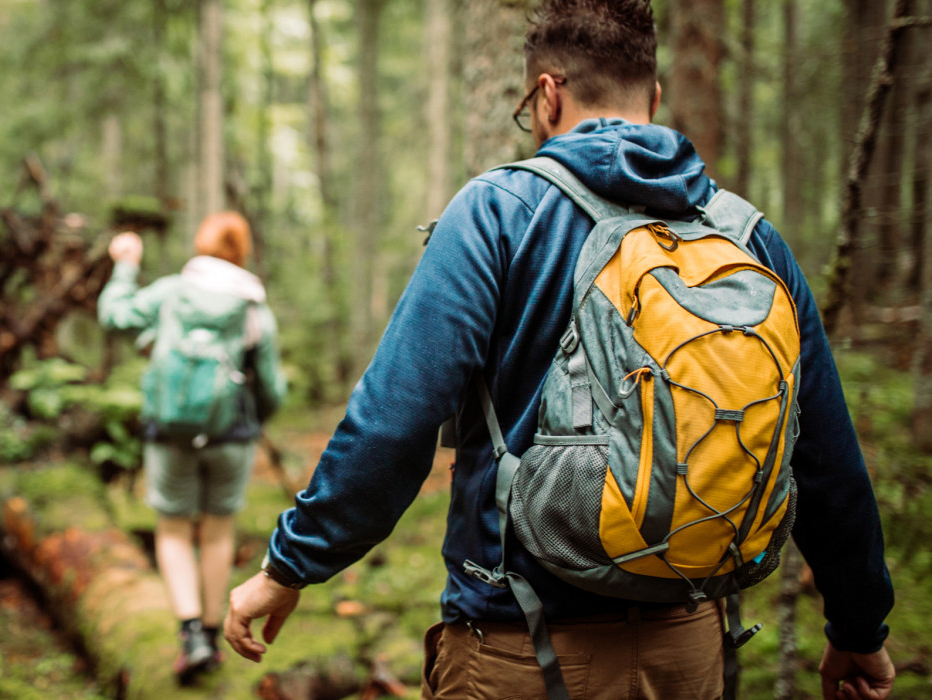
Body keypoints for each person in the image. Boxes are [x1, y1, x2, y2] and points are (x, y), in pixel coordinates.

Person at [223, 2, 896, 699]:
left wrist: (289, 567)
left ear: (545, 95)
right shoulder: (746, 237)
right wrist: (858, 632)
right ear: (654, 98)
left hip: (520, 652)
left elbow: (394, 419)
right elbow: (822, 455)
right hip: (688, 647)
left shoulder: (497, 213)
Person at [99, 211, 286, 684]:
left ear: (201, 245)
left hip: (170, 433)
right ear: (241, 251)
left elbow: (114, 315)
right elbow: (271, 388)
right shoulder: (252, 307)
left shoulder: (171, 292)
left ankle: (191, 637)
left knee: (174, 529)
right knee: (218, 532)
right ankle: (213, 628)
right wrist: (253, 420)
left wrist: (124, 263)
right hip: (231, 437)